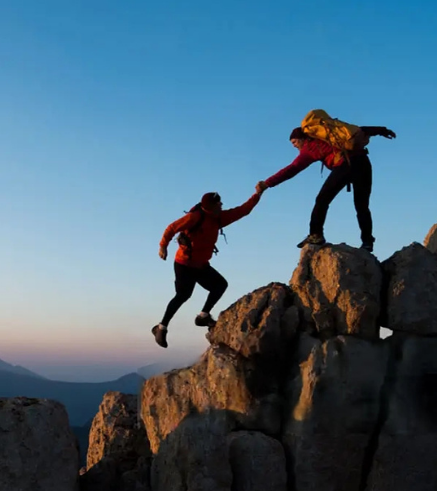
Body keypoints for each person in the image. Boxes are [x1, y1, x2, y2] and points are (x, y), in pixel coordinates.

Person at [260, 110, 396, 253]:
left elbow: (292, 169)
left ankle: (316, 235)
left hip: (346, 165)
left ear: (302, 139)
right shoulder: (329, 137)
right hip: (363, 163)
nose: (294, 145)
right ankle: (367, 242)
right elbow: (359, 130)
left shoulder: (309, 148)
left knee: (322, 199)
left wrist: (267, 183)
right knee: (362, 206)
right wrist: (382, 130)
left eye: (294, 142)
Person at [153, 182, 266, 348]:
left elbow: (243, 210)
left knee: (220, 285)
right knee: (183, 295)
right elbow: (172, 228)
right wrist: (163, 246)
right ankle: (161, 328)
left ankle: (203, 316)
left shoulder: (218, 218)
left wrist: (258, 194)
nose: (221, 205)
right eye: (218, 203)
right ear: (209, 207)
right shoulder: (195, 217)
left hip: (200, 265)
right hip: (184, 264)